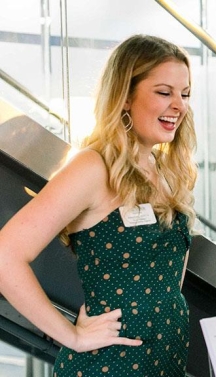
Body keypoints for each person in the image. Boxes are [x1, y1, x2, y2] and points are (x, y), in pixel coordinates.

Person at [0, 34, 197, 376]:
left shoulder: (168, 171)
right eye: (164, 92)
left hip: (166, 360)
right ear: (124, 96)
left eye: (185, 94)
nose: (179, 105)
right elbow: (5, 256)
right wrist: (72, 337)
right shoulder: (93, 167)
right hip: (109, 365)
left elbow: (166, 273)